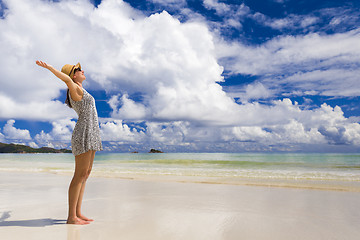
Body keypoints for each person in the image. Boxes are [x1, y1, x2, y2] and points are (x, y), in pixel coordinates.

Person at [36, 60, 102, 225]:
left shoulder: (81, 88)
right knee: (78, 175)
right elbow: (66, 80)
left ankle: (78, 212)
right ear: (73, 75)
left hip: (92, 133)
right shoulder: (73, 87)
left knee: (85, 175)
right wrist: (50, 68)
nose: (83, 70)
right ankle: (71, 217)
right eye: (79, 70)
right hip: (83, 134)